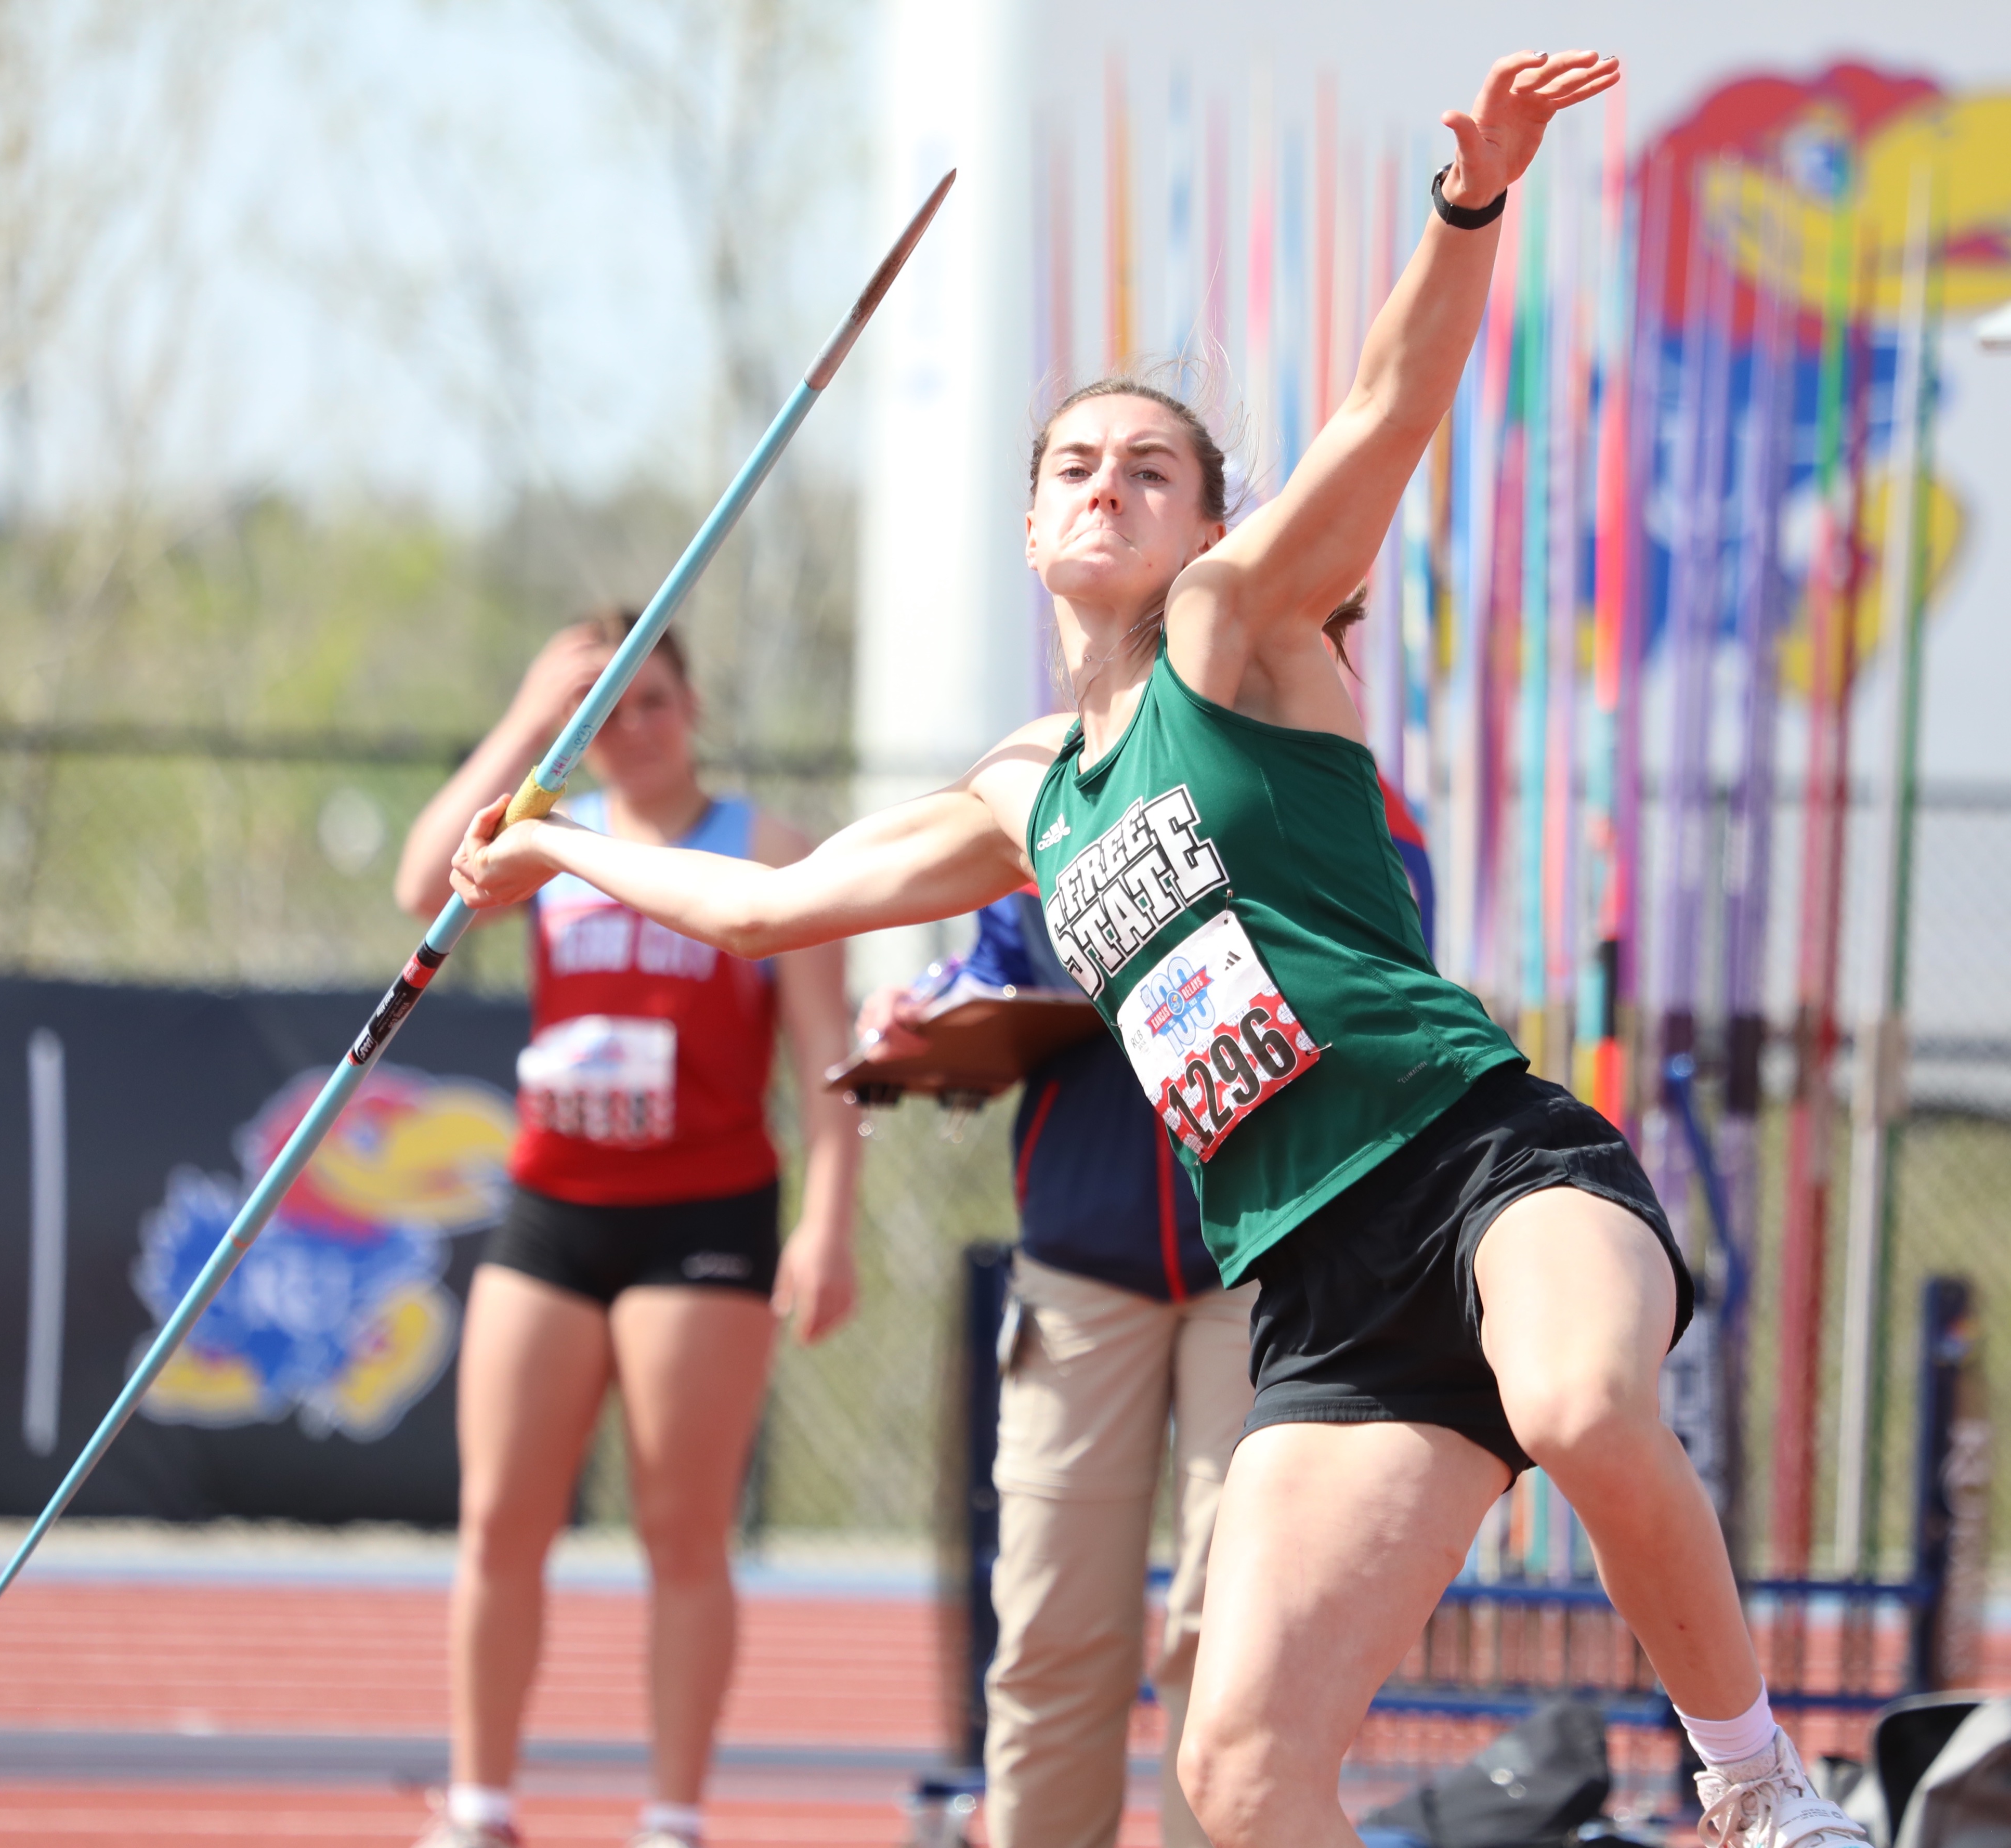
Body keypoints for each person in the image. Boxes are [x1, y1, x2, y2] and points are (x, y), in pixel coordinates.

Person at [443, 53, 1866, 1848]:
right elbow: (759, 908)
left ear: (1208, 522)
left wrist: (1470, 204)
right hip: (1317, 1285)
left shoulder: (1237, 634)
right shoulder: (1023, 791)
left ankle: (1760, 1785)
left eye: (1150, 469)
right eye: (1074, 466)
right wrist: (554, 843)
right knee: (1235, 1771)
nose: (1107, 487)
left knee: (1581, 1401)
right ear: (1033, 523)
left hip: (1476, 1159)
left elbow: (1385, 412)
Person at [395, 609, 862, 1848]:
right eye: (602, 711)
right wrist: (526, 722)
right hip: (552, 1212)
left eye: (650, 700)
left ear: (692, 707)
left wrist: (829, 1220)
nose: (632, 729)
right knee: (500, 1517)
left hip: (701, 1219)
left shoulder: (762, 847)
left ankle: (670, 1817)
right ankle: (480, 1806)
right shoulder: (547, 840)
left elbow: (826, 1055)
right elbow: (420, 885)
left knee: (682, 1529)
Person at [863, 888, 1252, 1848]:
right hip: (1080, 1261)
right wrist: (927, 1008)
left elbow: (1382, 947)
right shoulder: (1040, 817)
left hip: (1265, 1250)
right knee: (1051, 1625)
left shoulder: (1345, 798)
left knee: (1235, 1626)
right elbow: (997, 970)